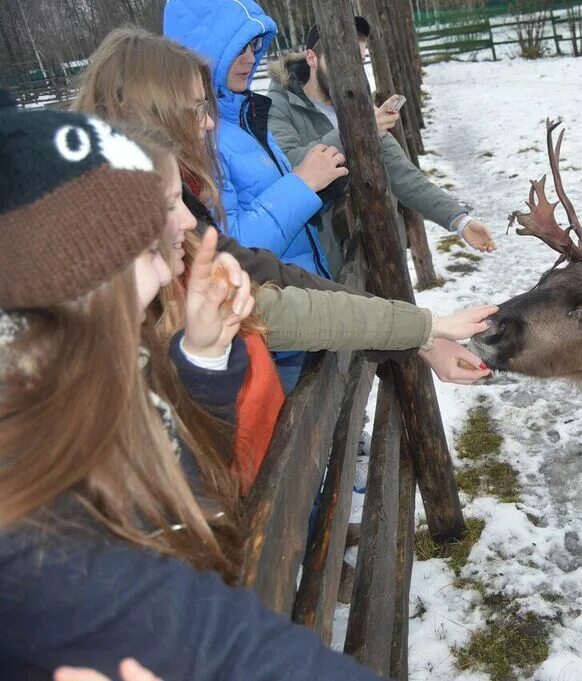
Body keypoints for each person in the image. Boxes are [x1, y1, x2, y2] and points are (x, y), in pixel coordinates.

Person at [0, 103, 383, 679]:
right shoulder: (38, 541)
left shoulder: (61, 404)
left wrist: (202, 356)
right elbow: (230, 650)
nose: (160, 273)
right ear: (66, 294)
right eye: (142, 253)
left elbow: (158, 479)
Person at [71, 28, 495, 492]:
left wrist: (422, 330)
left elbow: (269, 282)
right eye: (198, 108)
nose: (209, 122)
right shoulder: (267, 121)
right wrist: (422, 330)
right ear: (153, 114)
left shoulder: (183, 214)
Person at [163, 0, 348, 390]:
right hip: (271, 324)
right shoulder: (203, 138)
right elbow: (230, 246)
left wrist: (318, 189)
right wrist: (303, 183)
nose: (250, 57)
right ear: (205, 50)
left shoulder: (243, 117)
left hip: (299, 303)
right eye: (237, 47)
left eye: (254, 46)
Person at [268, 20, 497, 275]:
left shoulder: (355, 103)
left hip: (371, 251)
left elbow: (402, 173)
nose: (350, 70)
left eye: (359, 60)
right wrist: (358, 132)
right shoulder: (278, 105)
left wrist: (459, 220)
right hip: (316, 265)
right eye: (341, 60)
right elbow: (288, 164)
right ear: (311, 57)